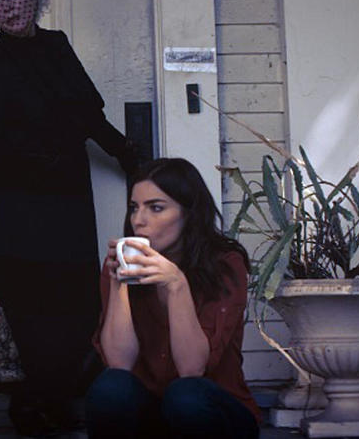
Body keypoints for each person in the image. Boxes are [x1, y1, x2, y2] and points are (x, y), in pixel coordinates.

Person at [0, 0, 140, 436]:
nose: (6, 7)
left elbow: (87, 116)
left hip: (70, 199)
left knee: (74, 302)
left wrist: (128, 155)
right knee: (25, 309)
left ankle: (62, 398)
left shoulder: (57, 47)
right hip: (18, 205)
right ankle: (29, 410)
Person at [87, 158, 261, 438]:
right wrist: (120, 283)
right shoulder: (117, 266)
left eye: (156, 208)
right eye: (134, 208)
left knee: (185, 395)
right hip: (152, 415)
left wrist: (177, 285)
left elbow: (192, 368)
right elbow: (119, 364)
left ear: (189, 214)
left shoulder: (225, 264)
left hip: (214, 412)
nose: (138, 220)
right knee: (110, 387)